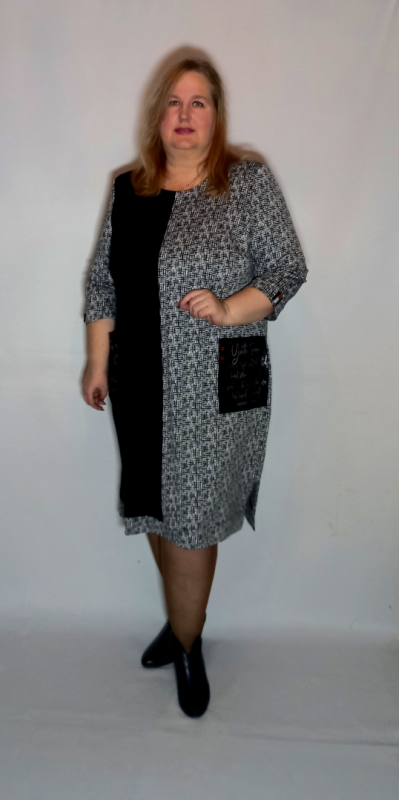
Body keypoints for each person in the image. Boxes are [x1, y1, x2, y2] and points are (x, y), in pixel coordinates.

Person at [82, 57, 308, 718]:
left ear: (216, 114)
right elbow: (102, 284)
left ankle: (185, 643)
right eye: (173, 102)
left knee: (192, 518)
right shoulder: (128, 190)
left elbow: (287, 267)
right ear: (157, 114)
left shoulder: (245, 182)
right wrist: (97, 362)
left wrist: (232, 308)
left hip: (215, 387)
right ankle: (185, 629)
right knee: (159, 505)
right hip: (140, 382)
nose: (184, 114)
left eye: (199, 102)